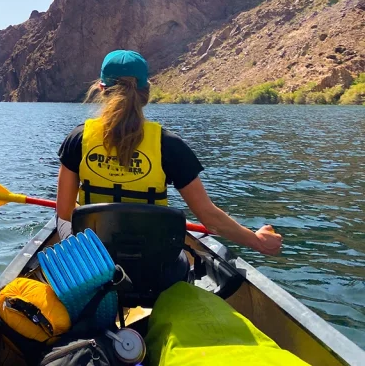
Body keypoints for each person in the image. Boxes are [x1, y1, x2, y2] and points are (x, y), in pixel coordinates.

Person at [56, 50, 282, 283]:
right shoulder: (169, 144)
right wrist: (257, 240)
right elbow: (210, 218)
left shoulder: (78, 140)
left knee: (65, 229)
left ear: (102, 89)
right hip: (154, 272)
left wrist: (99, 217)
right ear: (146, 94)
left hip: (97, 265)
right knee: (184, 260)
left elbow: (64, 212)